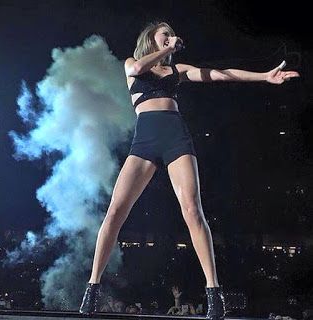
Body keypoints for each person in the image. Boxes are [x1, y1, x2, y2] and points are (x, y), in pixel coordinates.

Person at [79, 21, 300, 319]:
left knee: (192, 211)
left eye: (172, 34)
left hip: (175, 138)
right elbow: (136, 70)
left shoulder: (177, 70)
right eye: (165, 34)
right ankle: (92, 289)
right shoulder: (133, 63)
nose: (171, 38)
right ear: (151, 39)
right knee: (116, 212)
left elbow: (221, 75)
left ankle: (214, 293)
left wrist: (264, 77)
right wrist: (167, 49)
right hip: (143, 142)